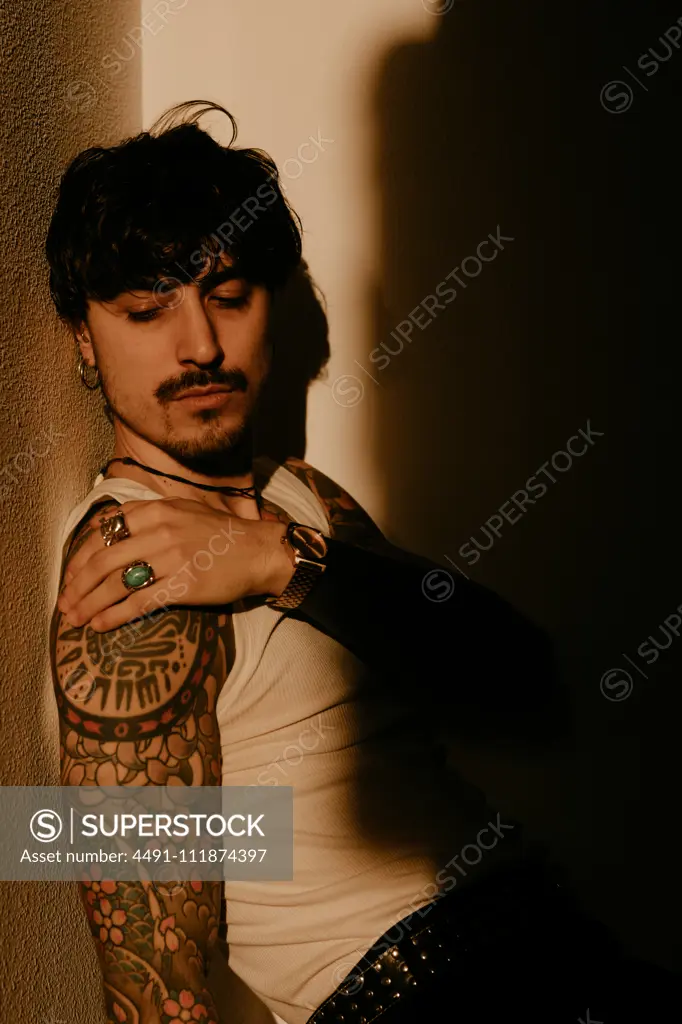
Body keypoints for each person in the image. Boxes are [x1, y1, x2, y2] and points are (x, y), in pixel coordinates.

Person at [46, 101, 677, 1024]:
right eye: (146, 310)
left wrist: (285, 563)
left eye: (227, 295)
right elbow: (155, 992)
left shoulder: (304, 499)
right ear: (82, 340)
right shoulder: (129, 571)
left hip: (549, 939)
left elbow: (517, 672)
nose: (201, 346)